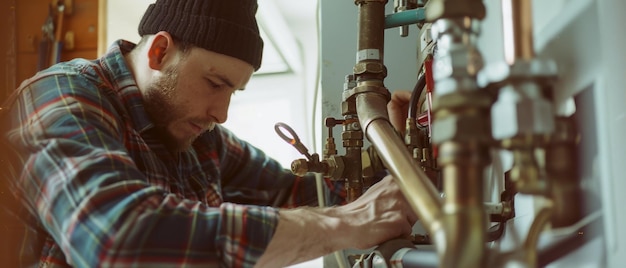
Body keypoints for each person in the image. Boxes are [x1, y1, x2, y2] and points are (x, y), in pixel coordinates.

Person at [0, 0, 417, 267]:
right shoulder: (62, 96)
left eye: (234, 91)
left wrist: (398, 155)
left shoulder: (197, 136)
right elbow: (120, 241)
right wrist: (344, 225)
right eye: (216, 83)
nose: (222, 113)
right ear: (160, 51)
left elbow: (311, 196)